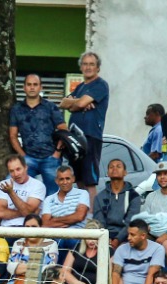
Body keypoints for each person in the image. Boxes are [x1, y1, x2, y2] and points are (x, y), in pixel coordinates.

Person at [59, 52, 109, 201]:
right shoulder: (80, 87)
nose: (88, 67)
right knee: (79, 180)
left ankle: (91, 218)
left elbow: (77, 104)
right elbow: (63, 103)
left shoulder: (100, 85)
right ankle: (83, 215)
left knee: (90, 181)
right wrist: (79, 103)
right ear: (81, 67)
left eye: (91, 64)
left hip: (90, 137)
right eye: (85, 64)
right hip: (74, 139)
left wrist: (76, 103)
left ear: (98, 68)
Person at [9, 73, 67, 193]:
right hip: (28, 158)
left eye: (35, 84)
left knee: (53, 194)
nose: (32, 87)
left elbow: (64, 130)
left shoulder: (50, 107)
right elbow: (13, 135)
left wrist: (57, 153)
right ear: (24, 87)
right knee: (13, 187)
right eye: (29, 84)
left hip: (50, 157)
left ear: (41, 87)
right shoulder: (16, 109)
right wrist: (23, 156)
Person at [92, 158, 140, 249]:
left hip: (127, 236)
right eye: (111, 167)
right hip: (105, 236)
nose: (114, 169)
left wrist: (118, 240)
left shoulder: (134, 196)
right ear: (108, 173)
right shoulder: (99, 197)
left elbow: (131, 222)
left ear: (125, 172)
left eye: (118, 166)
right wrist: (106, 238)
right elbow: (99, 221)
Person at [0, 155, 47, 227]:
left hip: (27, 228)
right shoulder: (4, 184)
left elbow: (27, 212)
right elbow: (0, 213)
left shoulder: (38, 185)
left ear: (25, 167)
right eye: (11, 171)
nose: (16, 174)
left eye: (18, 169)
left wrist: (11, 193)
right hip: (7, 228)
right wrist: (24, 213)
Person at [41, 164, 90, 238]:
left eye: (67, 178)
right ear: (56, 181)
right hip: (56, 237)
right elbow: (46, 224)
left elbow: (79, 216)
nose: (65, 182)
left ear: (73, 179)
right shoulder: (49, 199)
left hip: (76, 236)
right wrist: (71, 219)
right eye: (61, 179)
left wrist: (54, 220)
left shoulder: (82, 193)